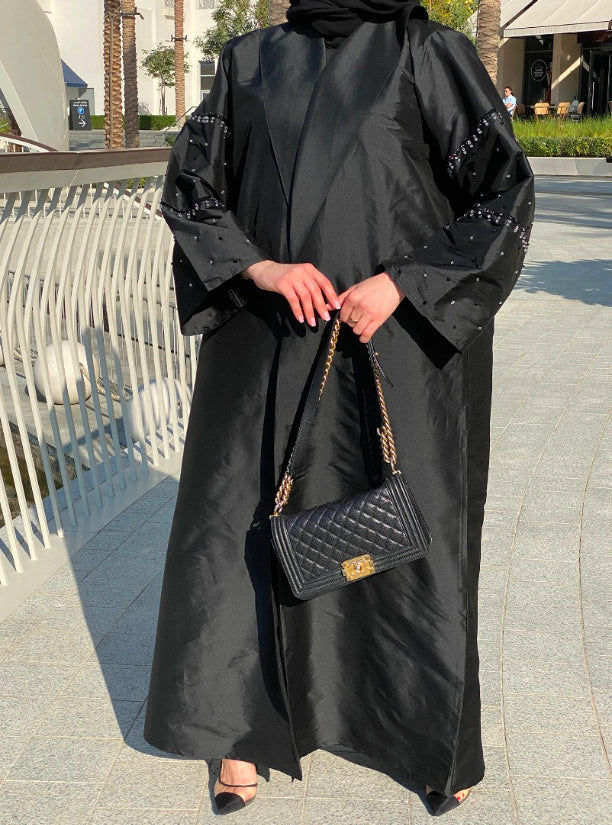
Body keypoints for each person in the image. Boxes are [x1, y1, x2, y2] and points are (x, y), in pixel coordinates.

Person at [143, 0, 535, 817]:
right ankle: (238, 733)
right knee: (242, 529)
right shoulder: (251, 58)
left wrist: (405, 284)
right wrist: (261, 270)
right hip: (265, 343)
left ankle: (431, 735)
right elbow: (193, 186)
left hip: (396, 344)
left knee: (413, 534)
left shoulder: (428, 52)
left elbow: (502, 191)